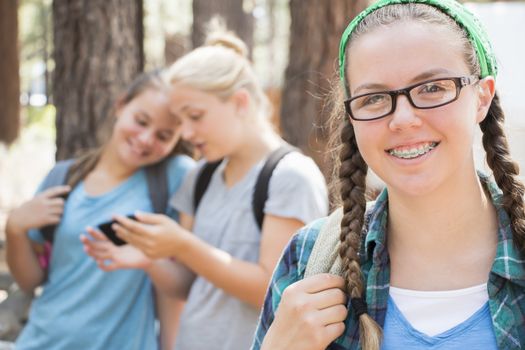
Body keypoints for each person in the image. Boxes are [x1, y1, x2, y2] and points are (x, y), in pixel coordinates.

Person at [252, 1, 525, 349]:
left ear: (482, 98)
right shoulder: (310, 258)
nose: (403, 119)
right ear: (352, 116)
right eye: (375, 98)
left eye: (432, 88)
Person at [87, 25, 329, 350]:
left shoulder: (290, 177)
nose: (184, 132)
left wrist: (183, 245)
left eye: (194, 116)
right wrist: (150, 257)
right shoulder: (200, 178)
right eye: (179, 119)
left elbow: (274, 292)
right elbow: (186, 285)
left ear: (240, 103)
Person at [5, 70, 195, 350]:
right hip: (41, 342)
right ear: (121, 105)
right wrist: (15, 229)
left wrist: (149, 259)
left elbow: (181, 287)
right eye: (141, 121)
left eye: (164, 135)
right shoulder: (63, 177)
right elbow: (30, 280)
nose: (145, 139)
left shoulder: (175, 178)